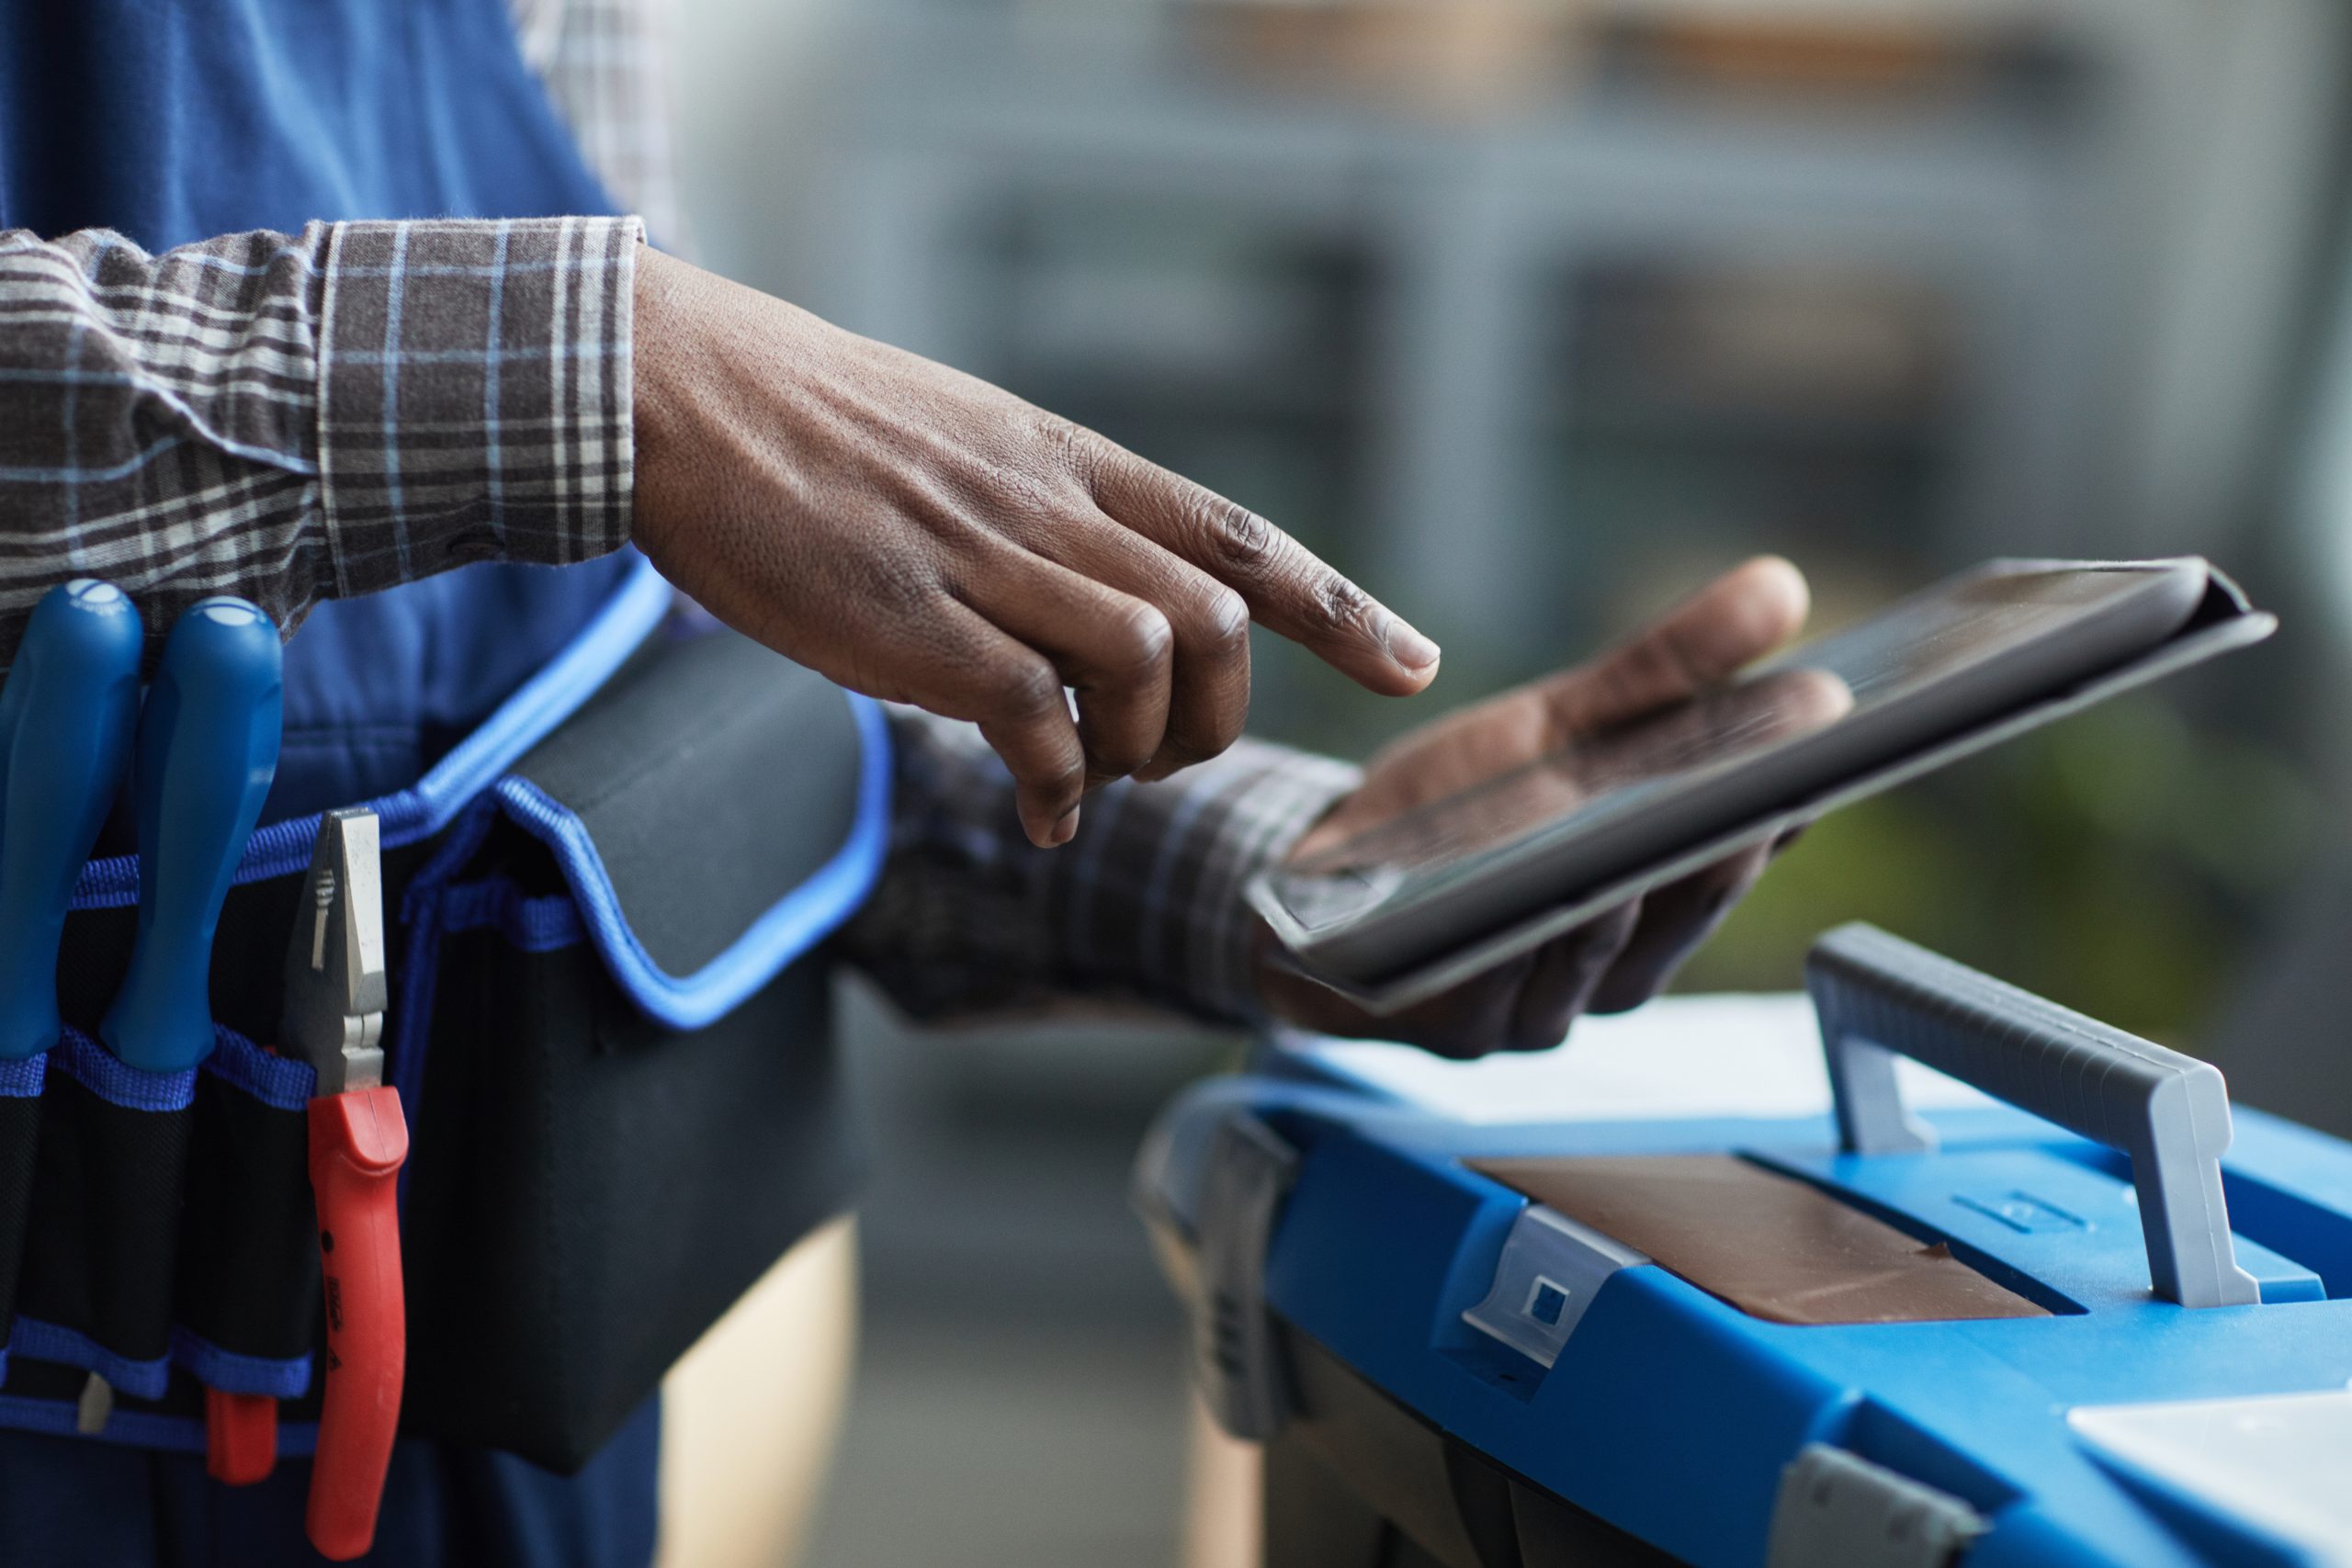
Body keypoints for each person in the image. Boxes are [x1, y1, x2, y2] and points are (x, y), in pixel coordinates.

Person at [0, 1, 1810, 1562]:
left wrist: (1301, 874)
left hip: (486, 1446)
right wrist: (590, 367)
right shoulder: (601, 350)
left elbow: (636, 699)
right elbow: (611, 426)